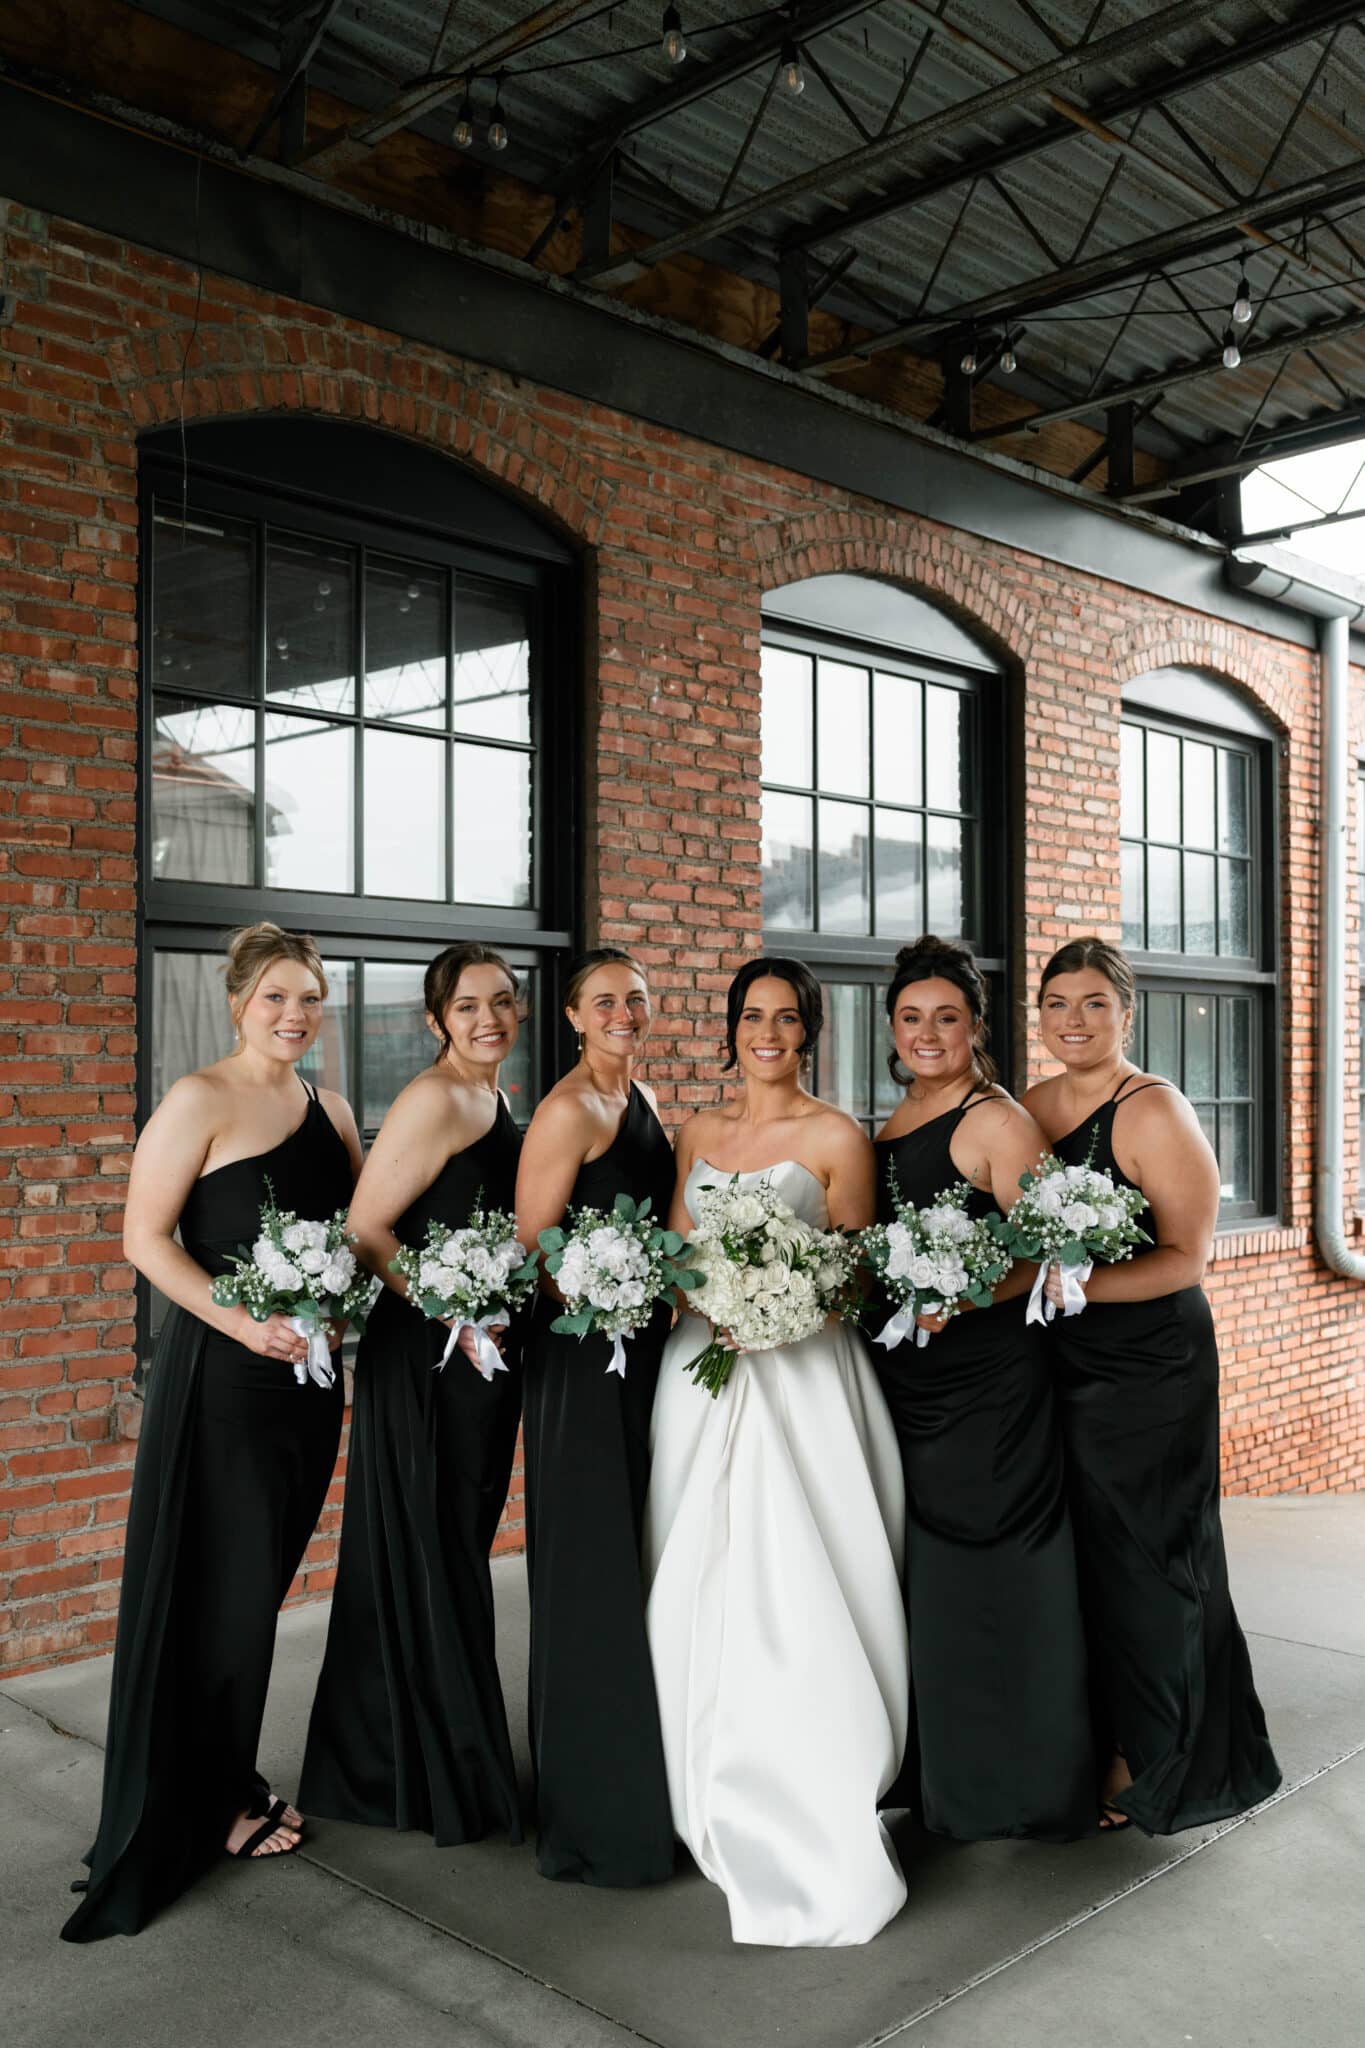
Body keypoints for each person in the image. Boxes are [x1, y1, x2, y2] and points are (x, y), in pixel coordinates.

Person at [63, 923, 362, 1941]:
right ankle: (214, 1799)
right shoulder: (197, 1099)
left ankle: (222, 1773)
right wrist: (242, 1323)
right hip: (224, 1378)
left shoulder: (333, 1108)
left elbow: (353, 1235)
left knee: (257, 1589)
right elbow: (143, 1238)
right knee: (217, 1592)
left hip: (306, 1386)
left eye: (310, 997)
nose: (294, 1013)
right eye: (276, 995)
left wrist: (340, 1308)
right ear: (239, 1002)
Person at [645, 957, 908, 1947]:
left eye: (786, 1017)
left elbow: (857, 1274)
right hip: (701, 1370)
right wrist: (711, 1298)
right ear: (731, 1029)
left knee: (796, 1570)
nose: (768, 1032)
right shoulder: (696, 1133)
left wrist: (785, 1306)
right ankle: (695, 1756)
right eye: (752, 1015)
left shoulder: (837, 1135)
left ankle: (811, 1760)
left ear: (809, 1031)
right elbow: (677, 1255)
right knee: (696, 1566)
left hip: (801, 1374)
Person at [1023, 936, 1281, 1834]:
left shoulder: (1154, 1110)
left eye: (1094, 1003)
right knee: (1087, 1562)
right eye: (1057, 1003)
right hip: (1063, 1363)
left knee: (1154, 1557)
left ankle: (1163, 1757)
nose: (1074, 1020)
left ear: (1125, 1014)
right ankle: (1101, 1737)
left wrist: (1073, 1289)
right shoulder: (1033, 1105)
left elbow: (1185, 1259)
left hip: (1151, 1369)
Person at [300, 943, 527, 1845]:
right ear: (437, 1020)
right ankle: (417, 1771)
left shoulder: (493, 1096)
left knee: (453, 1547)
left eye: (501, 1001)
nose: (488, 1019)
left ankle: (422, 1758)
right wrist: (456, 1312)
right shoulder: (435, 1097)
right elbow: (367, 1227)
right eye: (467, 1006)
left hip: (475, 1358)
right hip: (429, 1358)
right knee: (427, 1550)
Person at [870, 935, 1094, 1842]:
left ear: (975, 1027)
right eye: (911, 1018)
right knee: (931, 1586)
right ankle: (947, 1782)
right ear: (891, 1027)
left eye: (947, 1018)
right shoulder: (892, 1119)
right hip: (907, 1384)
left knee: (1001, 1580)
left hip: (987, 1390)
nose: (927, 1034)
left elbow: (1052, 1254)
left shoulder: (996, 1121)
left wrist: (960, 1293)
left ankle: (1025, 1789)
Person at [513, 948, 674, 1886]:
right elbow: (534, 1249)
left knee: (637, 1556)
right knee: (591, 1567)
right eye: (604, 1001)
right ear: (572, 1015)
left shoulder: (638, 1095)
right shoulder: (567, 1110)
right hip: (581, 1361)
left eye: (636, 1000)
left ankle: (642, 1768)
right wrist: (603, 1290)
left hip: (642, 1354)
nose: (623, 1013)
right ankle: (591, 1811)